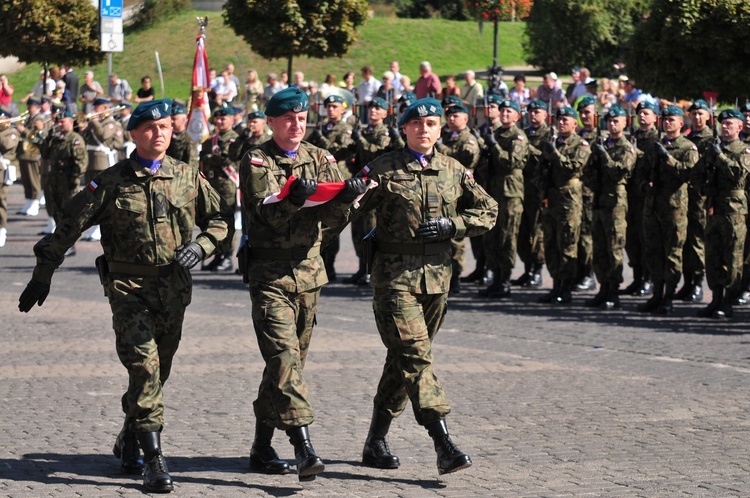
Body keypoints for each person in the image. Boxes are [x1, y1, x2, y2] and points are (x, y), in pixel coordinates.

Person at [18, 99, 228, 493]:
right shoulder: (110, 182)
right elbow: (69, 226)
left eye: (165, 126)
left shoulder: (187, 176)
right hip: (129, 291)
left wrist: (202, 246)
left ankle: (129, 436)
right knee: (145, 368)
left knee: (157, 372)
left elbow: (219, 222)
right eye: (149, 127)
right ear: (133, 134)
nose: (159, 133)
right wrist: (42, 274)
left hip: (174, 291)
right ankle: (154, 460)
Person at [353, 97, 497, 475]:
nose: (424, 129)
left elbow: (489, 210)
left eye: (431, 124)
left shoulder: (453, 169)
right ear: (403, 129)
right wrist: (348, 193)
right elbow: (346, 209)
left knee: (403, 359)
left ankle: (375, 440)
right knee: (417, 357)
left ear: (439, 129)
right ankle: (443, 441)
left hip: (437, 279)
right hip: (394, 281)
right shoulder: (383, 169)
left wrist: (455, 226)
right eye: (416, 124)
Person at [237, 87, 364, 481]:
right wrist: (294, 199)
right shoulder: (256, 159)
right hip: (270, 276)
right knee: (285, 360)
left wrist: (347, 198)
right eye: (288, 119)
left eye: (301, 118)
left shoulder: (321, 157)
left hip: (309, 275)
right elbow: (264, 216)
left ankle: (260, 447)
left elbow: (332, 222)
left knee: (286, 365)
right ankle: (304, 446)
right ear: (272, 121)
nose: (296, 125)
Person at [637, 105, 699, 314]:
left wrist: (667, 158)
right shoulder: (655, 145)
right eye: (665, 119)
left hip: (674, 208)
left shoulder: (688, 148)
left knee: (673, 253)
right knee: (653, 251)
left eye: (672, 119)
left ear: (681, 123)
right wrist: (645, 186)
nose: (667, 122)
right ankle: (657, 293)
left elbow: (689, 175)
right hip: (653, 206)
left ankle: (669, 296)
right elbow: (641, 173)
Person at [692, 108, 749, 319]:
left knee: (733, 256)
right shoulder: (712, 149)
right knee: (713, 255)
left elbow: (738, 175)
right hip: (714, 207)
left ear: (739, 127)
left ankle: (728, 301)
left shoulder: (744, 151)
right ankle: (715, 298)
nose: (725, 127)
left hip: (734, 210)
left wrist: (721, 157)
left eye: (730, 124)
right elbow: (695, 175)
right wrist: (705, 189)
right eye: (723, 124)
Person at [537, 106, 591, 304]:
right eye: (559, 119)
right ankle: (556, 284)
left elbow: (572, 168)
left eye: (565, 120)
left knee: (567, 242)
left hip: (569, 198)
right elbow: (541, 170)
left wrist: (555, 155)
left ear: (574, 124)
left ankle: (566, 286)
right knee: (550, 242)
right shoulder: (553, 143)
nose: (561, 123)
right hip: (552, 196)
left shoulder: (581, 145)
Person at [584, 104, 635, 309]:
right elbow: (587, 174)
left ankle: (613, 291)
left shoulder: (627, 147)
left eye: (616, 121)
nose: (612, 125)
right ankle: (603, 287)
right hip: (599, 200)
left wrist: (603, 155)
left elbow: (619, 172)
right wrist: (595, 160)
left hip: (615, 203)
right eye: (609, 121)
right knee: (599, 247)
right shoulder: (602, 145)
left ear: (624, 123)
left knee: (614, 248)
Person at [478, 98, 529, 298]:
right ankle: (496, 277)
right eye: (503, 111)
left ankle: (505, 280)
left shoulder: (518, 137)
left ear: (517, 116)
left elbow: (512, 163)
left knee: (507, 237)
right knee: (492, 236)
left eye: (509, 111)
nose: (505, 114)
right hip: (493, 189)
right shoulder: (495, 134)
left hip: (511, 192)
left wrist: (495, 147)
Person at [343, 97, 395, 285]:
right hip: (360, 184)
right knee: (357, 228)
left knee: (370, 227)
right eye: (371, 107)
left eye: (377, 108)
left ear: (385, 113)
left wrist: (361, 141)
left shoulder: (385, 132)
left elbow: (377, 152)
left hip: (374, 186)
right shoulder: (365, 131)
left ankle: (372, 268)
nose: (373, 111)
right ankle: (361, 266)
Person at [435, 103, 482, 294]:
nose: (451, 118)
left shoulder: (468, 139)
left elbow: (462, 161)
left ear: (465, 118)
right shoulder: (447, 136)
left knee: (456, 235)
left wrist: (440, 146)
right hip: (442, 190)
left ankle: (456, 275)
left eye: (456, 115)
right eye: (449, 115)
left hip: (459, 192)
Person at [307, 94, 355, 280]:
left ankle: (330, 264)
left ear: (342, 109)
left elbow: (339, 151)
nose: (331, 110)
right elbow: (309, 148)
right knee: (320, 223)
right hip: (321, 179)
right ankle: (319, 261)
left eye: (335, 106)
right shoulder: (322, 127)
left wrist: (323, 141)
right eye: (328, 107)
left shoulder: (346, 128)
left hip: (338, 178)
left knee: (333, 223)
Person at [621, 100, 659, 297]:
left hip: (646, 195)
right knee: (632, 238)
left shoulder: (657, 139)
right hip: (630, 194)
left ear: (655, 117)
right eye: (640, 113)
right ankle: (637, 277)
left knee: (647, 239)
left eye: (646, 113)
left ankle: (648, 278)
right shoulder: (632, 137)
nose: (642, 116)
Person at [512, 99, 552, 288]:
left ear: (545, 115)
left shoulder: (550, 135)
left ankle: (537, 268)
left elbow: (546, 157)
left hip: (538, 189)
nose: (533, 115)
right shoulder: (524, 133)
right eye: (531, 112)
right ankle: (528, 267)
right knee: (522, 231)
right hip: (521, 188)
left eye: (538, 111)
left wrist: (528, 147)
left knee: (537, 232)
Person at [678, 99, 713, 302]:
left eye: (701, 114)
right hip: (684, 196)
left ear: (708, 116)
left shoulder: (711, 140)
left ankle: (698, 283)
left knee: (698, 240)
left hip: (701, 197)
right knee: (685, 239)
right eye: (694, 114)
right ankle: (688, 280)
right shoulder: (688, 138)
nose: (697, 117)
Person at [199, 107, 241, 272]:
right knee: (212, 221)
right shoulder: (210, 141)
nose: (220, 121)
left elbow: (227, 160)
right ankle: (217, 254)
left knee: (227, 222)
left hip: (228, 186)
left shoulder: (236, 140)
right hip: (212, 185)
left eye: (224, 118)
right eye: (218, 119)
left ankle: (227, 257)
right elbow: (206, 161)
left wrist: (210, 158)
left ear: (231, 119)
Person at [574, 96, 602, 292]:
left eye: (588, 113)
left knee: (587, 235)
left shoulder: (602, 137)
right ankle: (578, 271)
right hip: (575, 194)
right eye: (582, 113)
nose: (584, 116)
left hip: (592, 193)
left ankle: (589, 274)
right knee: (575, 234)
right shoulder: (577, 136)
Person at [15, 98, 46, 217]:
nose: (29, 108)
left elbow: (39, 136)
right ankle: (28, 202)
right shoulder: (28, 118)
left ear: (37, 107)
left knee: (33, 180)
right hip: (23, 153)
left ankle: (34, 203)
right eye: (28, 105)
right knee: (26, 180)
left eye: (31, 106)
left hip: (33, 154)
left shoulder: (39, 119)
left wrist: (23, 130)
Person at [0, 108, 21, 247]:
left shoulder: (12, 133)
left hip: (3, 170)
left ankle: (2, 229)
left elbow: (7, 145)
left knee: (1, 199)